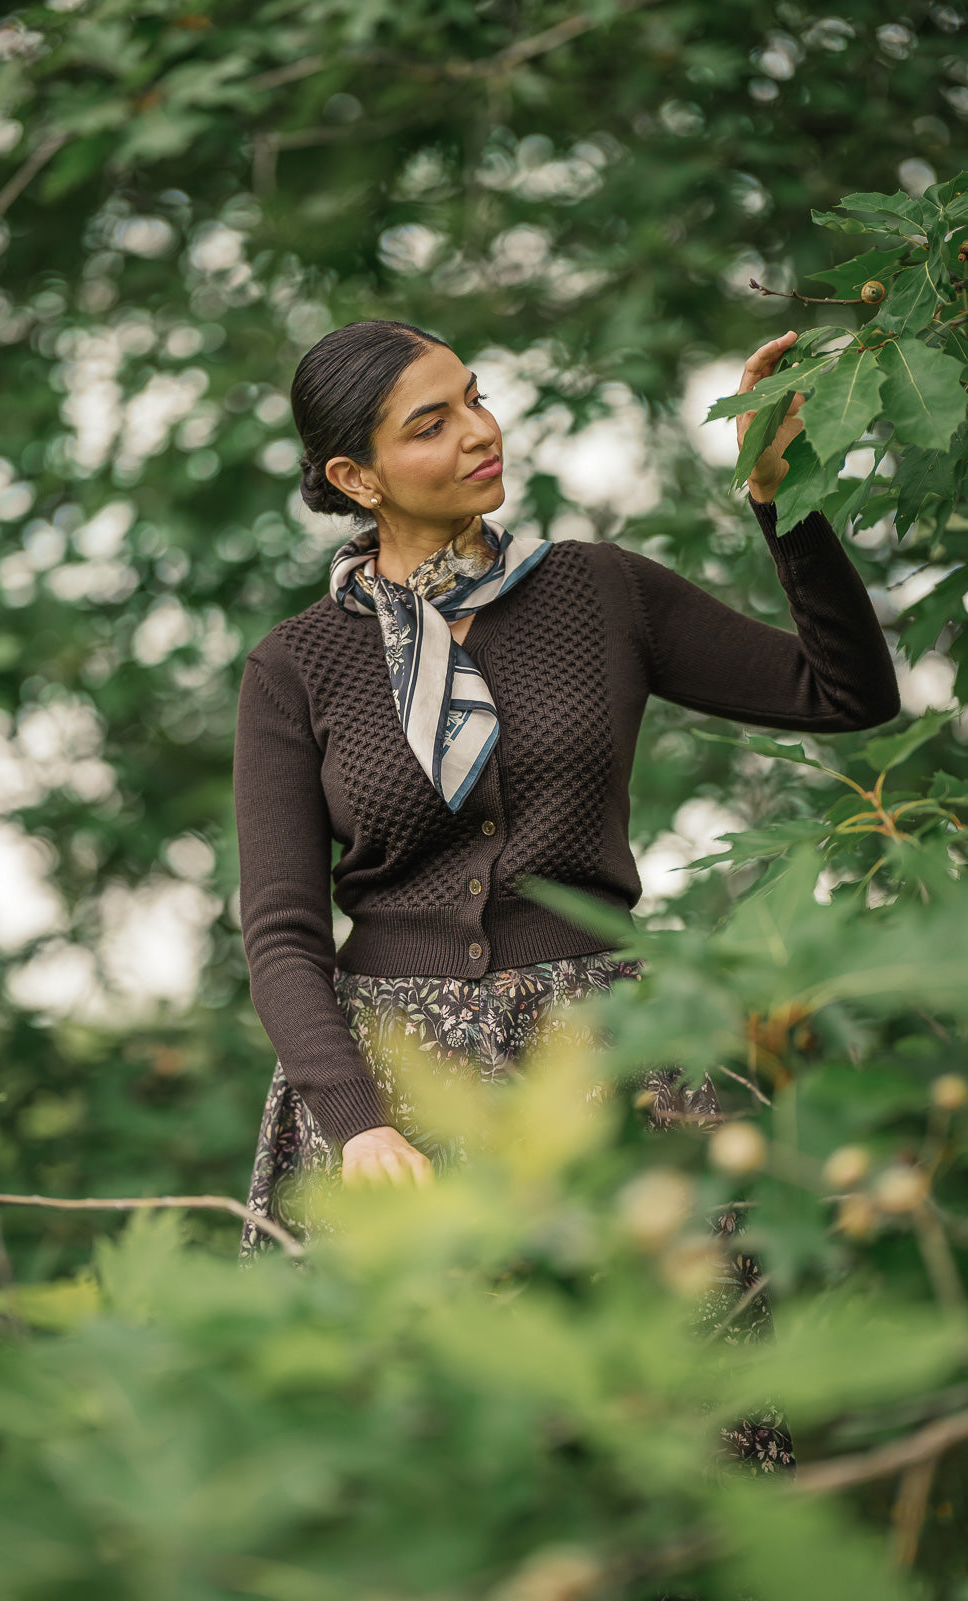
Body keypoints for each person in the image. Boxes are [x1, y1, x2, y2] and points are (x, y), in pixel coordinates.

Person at [232, 318, 900, 1473]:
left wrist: (778, 497)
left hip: (615, 1071)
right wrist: (357, 1119)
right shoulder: (295, 666)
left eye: (474, 398)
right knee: (425, 1468)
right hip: (400, 1096)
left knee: (679, 1445)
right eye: (428, 424)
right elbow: (282, 932)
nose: (480, 433)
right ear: (353, 477)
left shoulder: (597, 592)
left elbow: (840, 690)